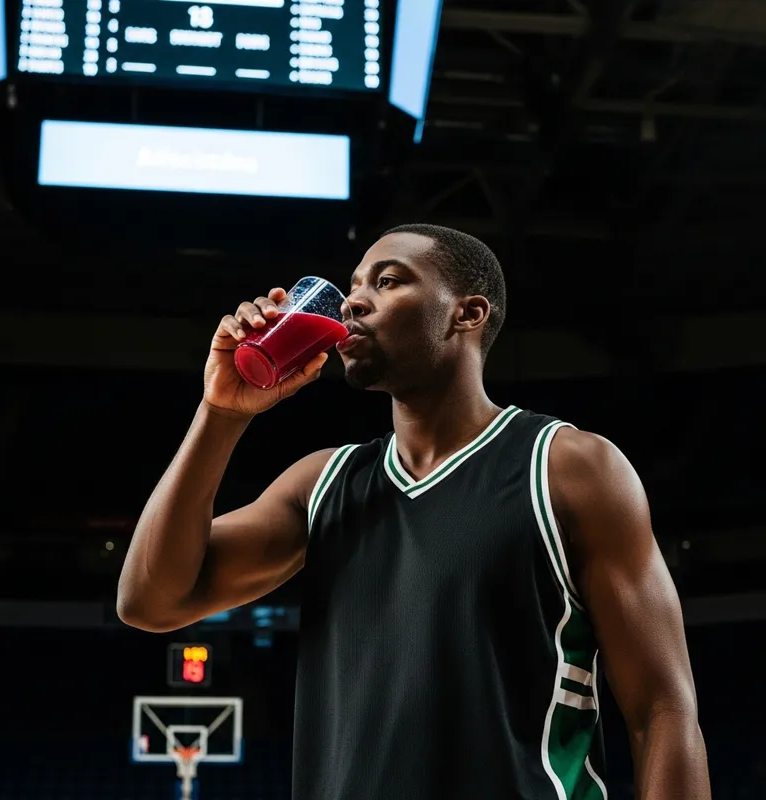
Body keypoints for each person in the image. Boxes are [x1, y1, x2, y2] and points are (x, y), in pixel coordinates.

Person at [117, 224, 711, 800]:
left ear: (467, 314)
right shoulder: (322, 482)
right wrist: (222, 414)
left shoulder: (567, 467)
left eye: (388, 281)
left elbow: (661, 708)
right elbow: (151, 601)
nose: (353, 302)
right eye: (353, 285)